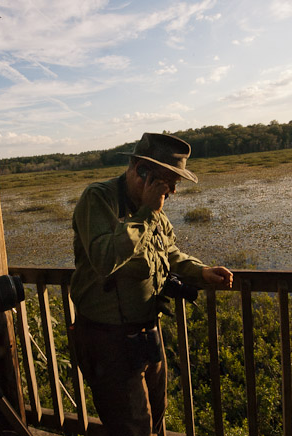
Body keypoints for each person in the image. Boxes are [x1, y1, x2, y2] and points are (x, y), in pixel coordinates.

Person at [70, 132, 233, 436]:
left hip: (146, 333)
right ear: (139, 170)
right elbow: (105, 260)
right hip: (107, 340)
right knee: (132, 428)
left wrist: (202, 272)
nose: (170, 191)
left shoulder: (153, 210)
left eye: (174, 184)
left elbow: (168, 252)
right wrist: (145, 212)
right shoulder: (99, 199)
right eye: (166, 182)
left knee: (156, 415)